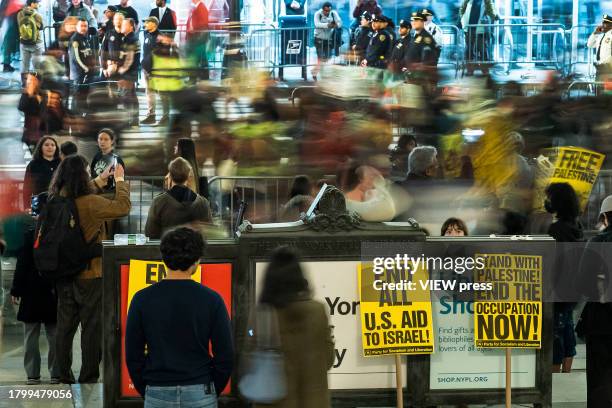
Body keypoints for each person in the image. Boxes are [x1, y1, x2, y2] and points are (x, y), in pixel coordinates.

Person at [125, 227, 233, 402]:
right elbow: (225, 355)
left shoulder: (141, 299)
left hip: (156, 390)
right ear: (197, 261)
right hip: (200, 390)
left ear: (164, 258)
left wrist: (147, 390)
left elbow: (133, 355)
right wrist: (211, 390)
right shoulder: (213, 300)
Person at [51, 154, 130, 384]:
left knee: (65, 328)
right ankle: (88, 376)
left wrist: (99, 180)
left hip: (63, 273)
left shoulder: (56, 199)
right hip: (90, 274)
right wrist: (121, 181)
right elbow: (122, 206)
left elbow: (79, 197)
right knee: (91, 328)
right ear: (82, 176)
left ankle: (63, 375)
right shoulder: (92, 203)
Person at [256, 246, 334, 408]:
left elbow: (253, 364)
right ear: (299, 277)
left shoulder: (264, 314)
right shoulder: (318, 310)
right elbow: (328, 359)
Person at [10, 201, 60, 385]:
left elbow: (22, 265)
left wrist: (16, 289)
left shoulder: (30, 236)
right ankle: (56, 373)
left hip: (31, 292)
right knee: (54, 335)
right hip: (52, 292)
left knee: (30, 335)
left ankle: (32, 375)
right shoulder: (58, 236)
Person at [576, 195, 612, 407]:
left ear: (605, 218)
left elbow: (580, 284)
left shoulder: (596, 243)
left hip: (600, 322)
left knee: (599, 380)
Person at [545, 182, 582, 374]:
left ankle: (555, 371)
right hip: (573, 288)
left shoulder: (557, 229)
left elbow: (553, 262)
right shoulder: (575, 225)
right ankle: (566, 370)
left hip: (558, 289)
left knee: (556, 331)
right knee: (567, 326)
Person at [145, 158, 212, 239]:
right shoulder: (203, 203)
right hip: (194, 249)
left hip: (168, 249)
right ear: (188, 175)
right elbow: (209, 232)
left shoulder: (158, 202)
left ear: (170, 175)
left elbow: (150, 232)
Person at [459, 0, 497, 75]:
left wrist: (495, 16)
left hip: (480, 30)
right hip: (469, 28)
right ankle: (470, 69)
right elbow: (462, 9)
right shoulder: (467, 1)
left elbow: (491, 10)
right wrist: (463, 20)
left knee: (483, 50)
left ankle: (485, 69)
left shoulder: (486, 1)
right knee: (469, 50)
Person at [22, 136, 60, 209]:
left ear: (56, 148)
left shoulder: (61, 164)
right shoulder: (33, 165)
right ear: (41, 148)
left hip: (58, 203)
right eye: (46, 145)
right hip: (37, 201)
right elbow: (27, 188)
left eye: (53, 145)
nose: (50, 147)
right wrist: (27, 207)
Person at [68, 18, 96, 112]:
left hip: (86, 73)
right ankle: (74, 116)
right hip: (79, 73)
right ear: (77, 27)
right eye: (81, 26)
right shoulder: (75, 39)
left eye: (85, 26)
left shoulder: (85, 38)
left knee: (84, 94)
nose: (84, 28)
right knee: (77, 95)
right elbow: (76, 58)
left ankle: (82, 114)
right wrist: (85, 68)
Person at [117, 18, 140, 126]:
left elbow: (129, 58)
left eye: (124, 24)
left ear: (131, 27)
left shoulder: (131, 39)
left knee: (126, 97)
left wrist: (122, 70)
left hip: (129, 73)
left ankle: (128, 121)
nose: (122, 25)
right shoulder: (128, 38)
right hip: (131, 72)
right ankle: (134, 120)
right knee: (131, 96)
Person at [141, 16, 162, 126]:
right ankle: (151, 115)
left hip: (156, 70)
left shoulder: (160, 36)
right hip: (146, 69)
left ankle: (166, 117)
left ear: (154, 24)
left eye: (147, 22)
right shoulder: (146, 34)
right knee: (149, 93)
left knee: (162, 93)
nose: (145, 24)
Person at [312, 2, 341, 80]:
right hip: (319, 39)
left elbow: (339, 23)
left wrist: (336, 25)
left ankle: (316, 71)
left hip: (329, 39)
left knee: (328, 57)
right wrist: (328, 25)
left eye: (329, 10)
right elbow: (317, 24)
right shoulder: (318, 14)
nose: (327, 12)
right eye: (326, 10)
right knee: (321, 57)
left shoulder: (333, 13)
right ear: (323, 9)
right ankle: (317, 73)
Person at [17, 0, 43, 81]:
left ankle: (24, 86)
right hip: (36, 43)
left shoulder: (20, 13)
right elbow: (41, 27)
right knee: (37, 66)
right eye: (37, 3)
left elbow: (18, 26)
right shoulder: (37, 15)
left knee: (25, 66)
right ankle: (36, 86)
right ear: (32, 4)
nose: (38, 4)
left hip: (24, 43)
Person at [587, 14, 612, 82]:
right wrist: (595, 33)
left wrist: (605, 65)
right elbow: (589, 45)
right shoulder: (600, 36)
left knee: (607, 90)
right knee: (598, 89)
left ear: (611, 25)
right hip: (600, 67)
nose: (602, 25)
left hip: (608, 68)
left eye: (605, 23)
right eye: (603, 23)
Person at [101, 12, 124, 78]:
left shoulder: (126, 34)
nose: (118, 21)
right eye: (116, 19)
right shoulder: (108, 33)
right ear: (113, 21)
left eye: (120, 19)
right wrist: (104, 68)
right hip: (110, 66)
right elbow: (103, 51)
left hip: (123, 67)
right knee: (110, 86)